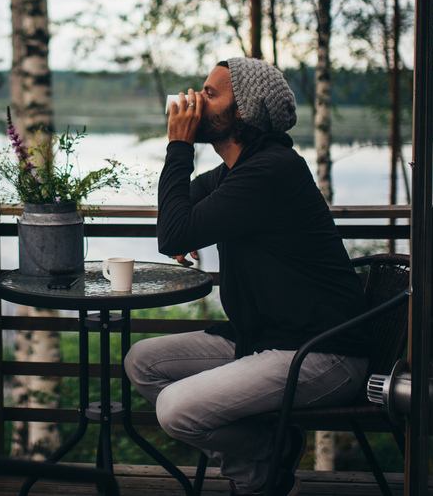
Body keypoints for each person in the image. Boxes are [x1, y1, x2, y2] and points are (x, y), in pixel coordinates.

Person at [123, 57, 370, 496]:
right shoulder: (235, 172)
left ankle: (260, 473)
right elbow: (177, 217)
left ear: (245, 112)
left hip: (322, 352)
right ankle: (268, 452)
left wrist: (178, 146)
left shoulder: (272, 171)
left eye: (211, 93)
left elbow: (174, 231)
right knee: (142, 362)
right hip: (265, 339)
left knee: (176, 409)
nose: (197, 100)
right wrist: (185, 225)